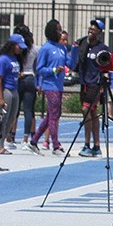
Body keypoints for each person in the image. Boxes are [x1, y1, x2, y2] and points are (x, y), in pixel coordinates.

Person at [71, 19, 112, 157]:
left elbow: (107, 66)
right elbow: (76, 61)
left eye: (94, 29)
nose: (91, 31)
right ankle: (97, 145)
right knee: (92, 113)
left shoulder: (102, 48)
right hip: (84, 82)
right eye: (90, 28)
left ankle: (87, 143)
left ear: (99, 32)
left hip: (96, 83)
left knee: (85, 109)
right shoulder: (84, 45)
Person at [32, 19, 68, 156]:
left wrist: (75, 49)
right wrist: (53, 70)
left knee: (52, 115)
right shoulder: (46, 48)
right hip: (50, 85)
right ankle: (56, 145)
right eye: (58, 30)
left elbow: (69, 63)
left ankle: (34, 141)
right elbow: (40, 69)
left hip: (59, 85)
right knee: (54, 116)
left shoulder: (62, 48)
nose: (60, 32)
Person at [0, 33, 27, 156]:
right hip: (5, 90)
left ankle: (1, 142)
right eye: (19, 46)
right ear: (13, 45)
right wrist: (1, 98)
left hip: (14, 89)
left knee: (12, 117)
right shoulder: (3, 59)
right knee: (3, 118)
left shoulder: (15, 59)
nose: (21, 49)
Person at [11, 24, 40, 154]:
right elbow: (36, 67)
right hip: (30, 77)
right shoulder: (34, 49)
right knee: (29, 110)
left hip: (19, 77)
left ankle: (10, 137)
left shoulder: (17, 47)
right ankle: (26, 138)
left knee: (15, 110)